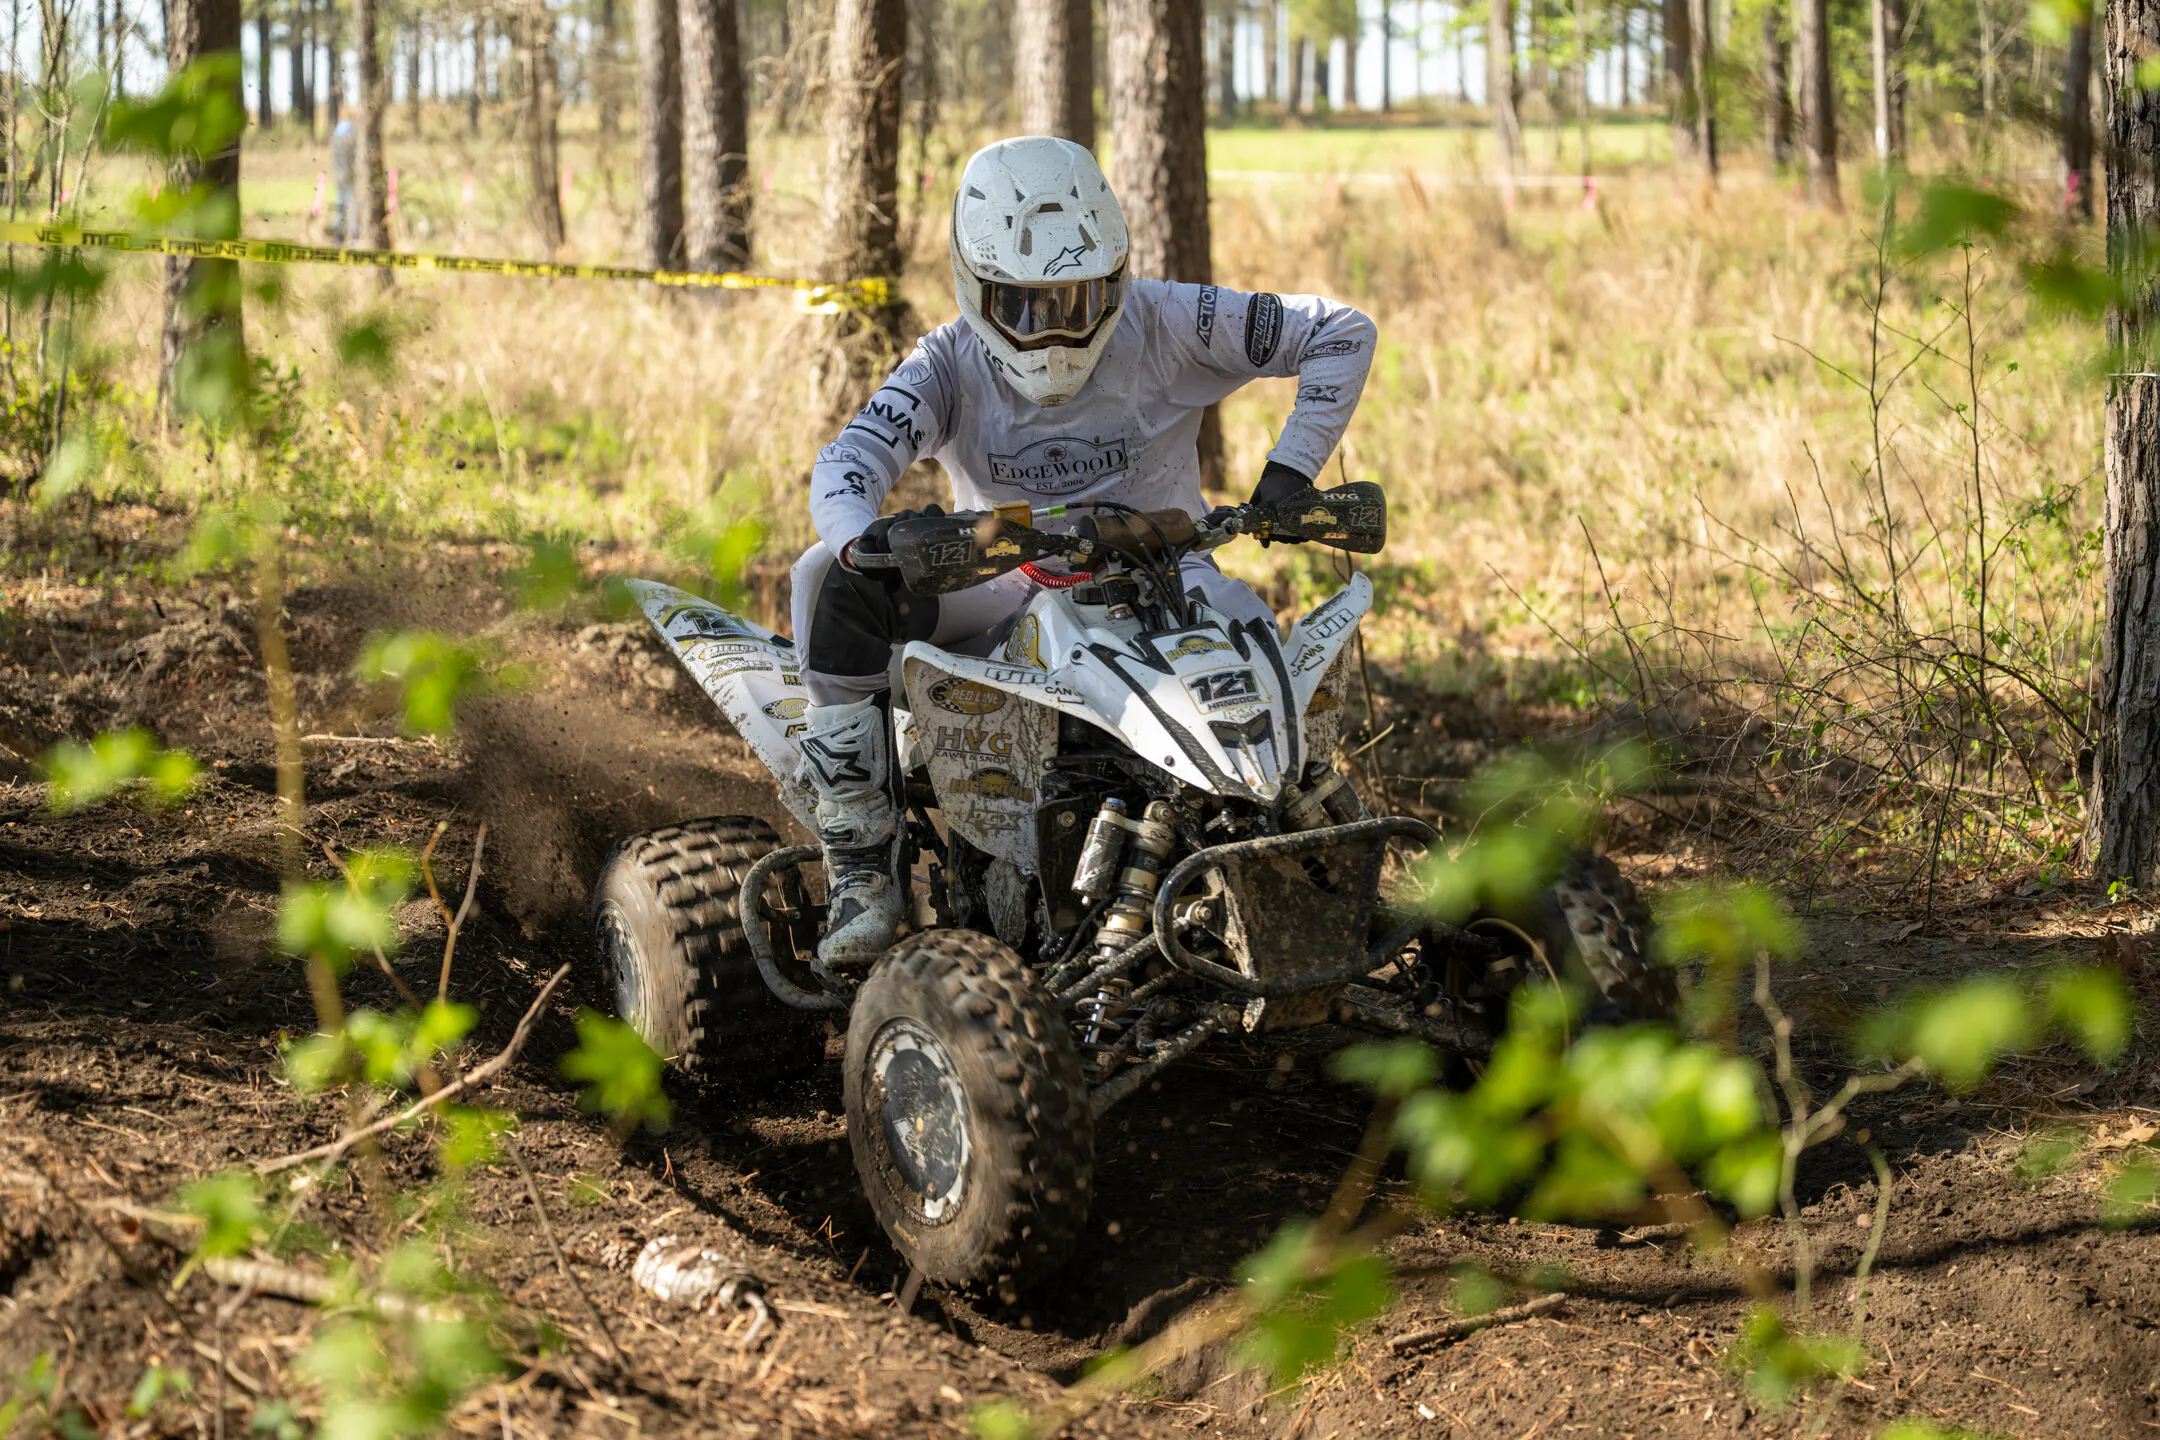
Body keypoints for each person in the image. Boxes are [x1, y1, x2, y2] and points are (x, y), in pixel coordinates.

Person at [794, 135, 1376, 968]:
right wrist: (866, 542)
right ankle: (860, 863)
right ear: (975, 287)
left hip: (1172, 573)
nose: (1057, 326)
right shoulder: (947, 361)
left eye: (1081, 296)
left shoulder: (1171, 317)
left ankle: (1314, 846)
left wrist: (1288, 475)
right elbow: (848, 462)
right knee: (825, 578)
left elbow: (1341, 331)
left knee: (1278, 697)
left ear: (1119, 274)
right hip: (1004, 584)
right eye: (1027, 306)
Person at [330, 118, 357, 244]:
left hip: (338, 177)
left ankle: (338, 236)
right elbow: (353, 160)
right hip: (349, 178)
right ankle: (353, 235)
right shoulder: (350, 140)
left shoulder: (335, 140)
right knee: (351, 206)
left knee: (340, 206)